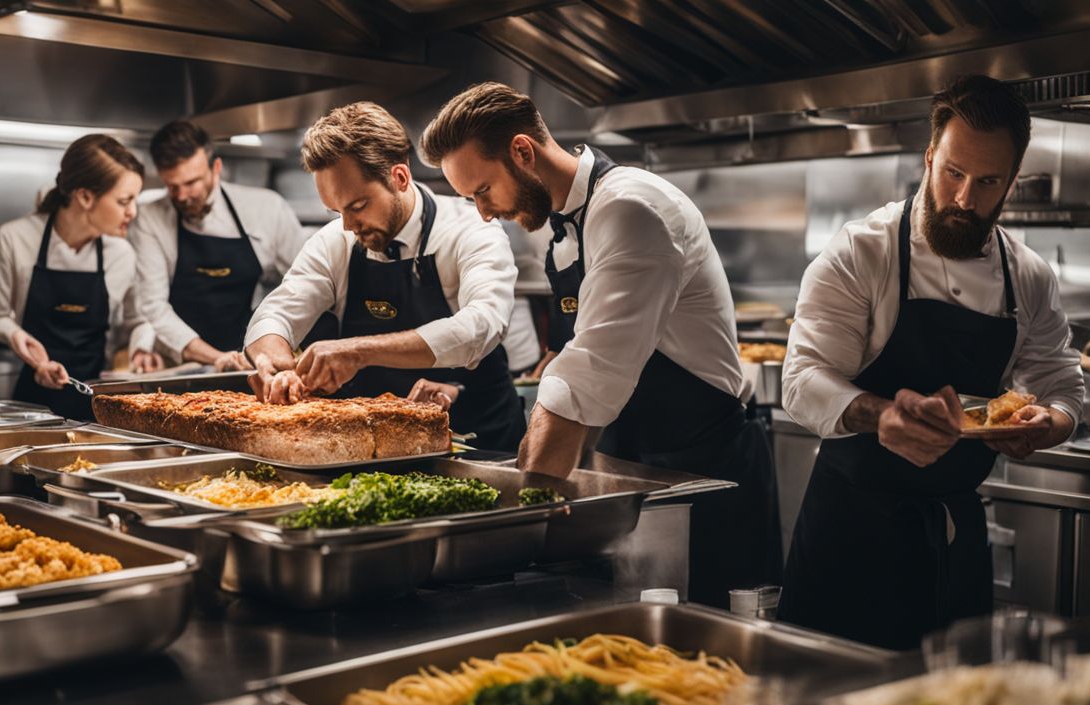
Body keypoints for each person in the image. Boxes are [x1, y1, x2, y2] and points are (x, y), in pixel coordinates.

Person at [420, 82, 781, 605]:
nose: (483, 212)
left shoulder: (632, 209)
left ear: (522, 152)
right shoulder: (568, 222)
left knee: (708, 660)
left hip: (701, 478)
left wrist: (520, 515)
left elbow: (588, 373)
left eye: (482, 190)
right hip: (630, 469)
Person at [777, 75, 1085, 650]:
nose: (966, 199)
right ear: (929, 157)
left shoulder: (1029, 277)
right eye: (953, 173)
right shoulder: (860, 252)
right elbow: (802, 380)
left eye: (988, 181)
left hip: (953, 536)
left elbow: (1061, 382)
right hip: (848, 538)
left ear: (1012, 182)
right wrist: (880, 415)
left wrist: (1051, 424)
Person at [244, 101, 527, 452]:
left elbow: (481, 327)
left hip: (480, 443)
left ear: (399, 177)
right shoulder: (336, 241)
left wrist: (358, 352)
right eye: (337, 211)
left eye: (358, 206)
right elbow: (278, 312)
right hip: (373, 453)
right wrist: (273, 362)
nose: (348, 225)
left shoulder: (472, 231)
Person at [0, 134, 154, 421]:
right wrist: (19, 340)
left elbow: (137, 320)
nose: (133, 212)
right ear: (85, 197)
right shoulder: (15, 239)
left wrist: (141, 348)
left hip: (98, 408)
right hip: (31, 407)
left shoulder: (121, 253)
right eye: (124, 201)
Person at [130, 120, 306, 371]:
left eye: (191, 183)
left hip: (251, 361)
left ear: (216, 168)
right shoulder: (151, 217)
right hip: (181, 364)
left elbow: (305, 285)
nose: (181, 196)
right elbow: (153, 306)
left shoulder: (266, 209)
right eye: (172, 186)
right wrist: (216, 358)